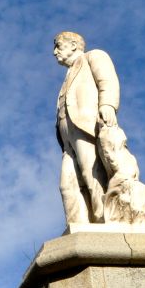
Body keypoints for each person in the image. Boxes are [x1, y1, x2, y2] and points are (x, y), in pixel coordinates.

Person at [53, 31, 120, 224]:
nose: (54, 51)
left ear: (73, 45)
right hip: (67, 140)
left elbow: (107, 80)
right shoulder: (67, 76)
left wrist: (107, 105)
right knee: (67, 185)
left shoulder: (94, 56)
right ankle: (79, 226)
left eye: (58, 45)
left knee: (92, 175)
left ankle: (103, 221)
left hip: (85, 127)